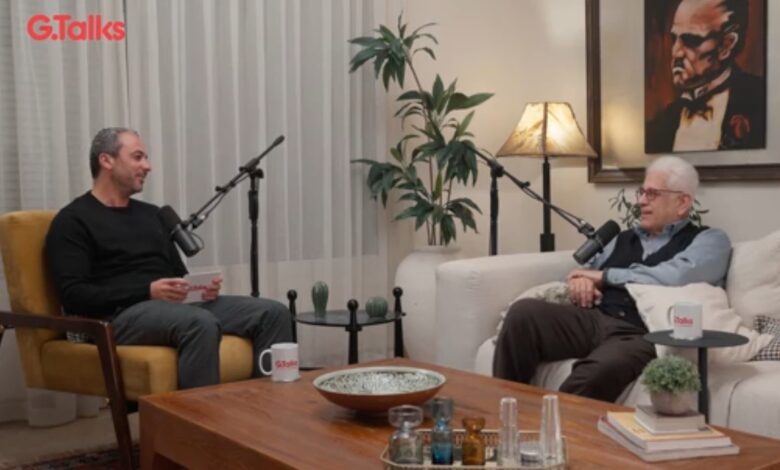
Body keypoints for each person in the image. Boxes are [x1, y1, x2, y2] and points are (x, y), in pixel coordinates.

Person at [46, 127, 292, 389]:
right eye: (138, 157)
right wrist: (147, 291)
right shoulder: (73, 221)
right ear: (106, 160)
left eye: (146, 158)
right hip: (119, 315)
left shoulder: (152, 215)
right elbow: (74, 295)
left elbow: (177, 274)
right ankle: (197, 415)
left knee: (273, 313)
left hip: (172, 308)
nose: (148, 166)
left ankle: (267, 407)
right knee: (198, 323)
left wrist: (197, 289)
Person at [493, 156, 731, 402]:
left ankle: (551, 425)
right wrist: (581, 282)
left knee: (593, 375)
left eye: (652, 194)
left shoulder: (710, 240)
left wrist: (605, 276)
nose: (641, 201)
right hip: (595, 319)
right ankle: (506, 410)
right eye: (642, 192)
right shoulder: (621, 238)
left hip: (641, 332)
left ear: (682, 202)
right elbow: (585, 272)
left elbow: (675, 276)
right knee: (524, 313)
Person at [645, 0, 765, 153]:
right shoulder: (658, 127)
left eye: (691, 40)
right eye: (674, 39)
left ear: (727, 45)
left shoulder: (762, 101)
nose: (676, 52)